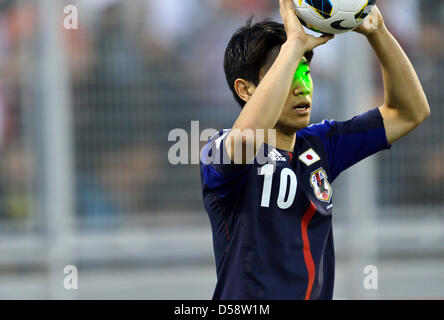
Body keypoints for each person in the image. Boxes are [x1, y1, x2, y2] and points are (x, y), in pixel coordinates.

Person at [199, 0, 430, 300]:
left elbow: (410, 112)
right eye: (288, 73)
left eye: (306, 72)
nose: (303, 87)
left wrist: (378, 32)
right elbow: (246, 140)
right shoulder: (218, 151)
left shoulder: (322, 145)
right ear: (246, 90)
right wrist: (294, 42)